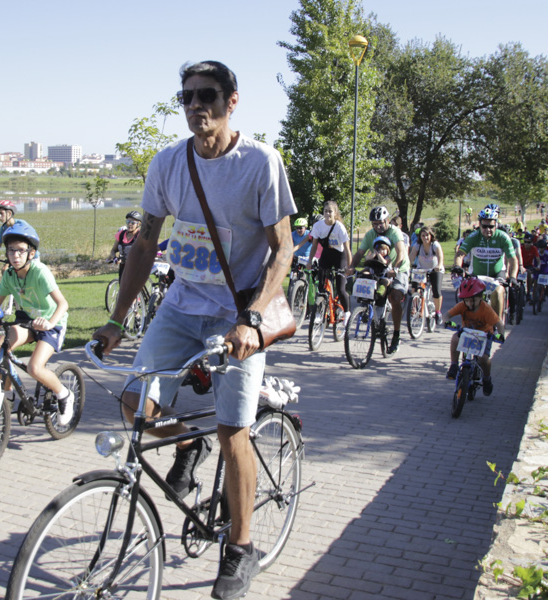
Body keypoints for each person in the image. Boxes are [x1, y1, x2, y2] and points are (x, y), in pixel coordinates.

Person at [91, 60, 296, 600]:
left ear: (232, 101)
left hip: (238, 316)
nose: (195, 106)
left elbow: (284, 250)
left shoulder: (260, 163)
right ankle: (186, 448)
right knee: (134, 408)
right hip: (180, 307)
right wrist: (116, 322)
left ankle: (241, 548)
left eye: (207, 95)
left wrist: (251, 319)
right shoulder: (167, 164)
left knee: (234, 433)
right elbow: (143, 245)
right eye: (186, 97)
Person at [0, 221, 75, 425]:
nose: (15, 255)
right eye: (11, 251)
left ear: (31, 253)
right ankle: (7, 395)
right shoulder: (9, 275)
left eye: (20, 250)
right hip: (27, 321)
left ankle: (65, 395)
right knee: (1, 346)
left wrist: (49, 323)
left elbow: (63, 304)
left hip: (51, 322)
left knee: (34, 368)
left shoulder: (40, 271)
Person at [350, 206, 408, 354]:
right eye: (375, 224)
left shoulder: (394, 232)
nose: (378, 226)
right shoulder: (370, 235)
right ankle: (370, 315)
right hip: (379, 267)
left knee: (395, 296)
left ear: (387, 220)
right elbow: (360, 253)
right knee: (367, 285)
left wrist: (395, 268)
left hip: (398, 267)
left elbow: (401, 252)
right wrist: (351, 267)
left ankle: (396, 335)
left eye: (380, 223)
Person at [452, 205, 518, 330]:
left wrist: (513, 276)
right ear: (479, 225)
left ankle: (495, 326)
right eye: (484, 226)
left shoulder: (503, 238)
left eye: (491, 226)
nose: (488, 229)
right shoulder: (473, 237)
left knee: (498, 292)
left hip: (497, 273)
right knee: (470, 297)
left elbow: (513, 260)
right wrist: (457, 266)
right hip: (477, 273)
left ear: (496, 225)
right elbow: (460, 254)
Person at [445, 277, 505, 396]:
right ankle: (453, 365)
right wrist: (447, 321)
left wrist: (501, 335)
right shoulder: (462, 306)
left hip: (484, 336)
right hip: (467, 333)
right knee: (455, 337)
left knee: (483, 358)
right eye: (467, 300)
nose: (470, 303)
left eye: (473, 300)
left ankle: (487, 378)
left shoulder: (486, 309)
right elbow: (447, 315)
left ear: (480, 298)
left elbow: (499, 323)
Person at [306, 200, 351, 324]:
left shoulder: (339, 227)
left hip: (339, 256)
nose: (327, 214)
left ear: (335, 213)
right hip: (326, 254)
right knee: (321, 286)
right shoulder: (318, 226)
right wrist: (310, 261)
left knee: (340, 288)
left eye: (330, 211)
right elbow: (314, 246)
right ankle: (321, 312)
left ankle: (347, 312)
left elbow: (347, 249)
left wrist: (349, 267)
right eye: (325, 211)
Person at [409, 226, 445, 321]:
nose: (425, 238)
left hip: (435, 269)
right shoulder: (417, 245)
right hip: (422, 269)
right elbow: (411, 257)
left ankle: (438, 312)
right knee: (415, 286)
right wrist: (409, 265)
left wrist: (439, 266)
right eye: (423, 235)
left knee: (436, 290)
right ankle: (414, 305)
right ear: (420, 237)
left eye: (427, 235)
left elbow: (440, 256)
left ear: (431, 236)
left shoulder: (435, 245)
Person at [108, 210, 142, 282]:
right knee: (122, 289)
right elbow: (113, 250)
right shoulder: (121, 234)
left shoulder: (140, 236)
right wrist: (115, 258)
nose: (129, 224)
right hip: (123, 267)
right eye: (128, 222)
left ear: (138, 224)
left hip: (136, 267)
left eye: (132, 223)